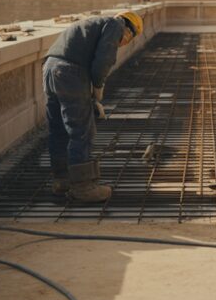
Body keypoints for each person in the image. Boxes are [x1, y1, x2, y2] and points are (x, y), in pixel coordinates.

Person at [43, 10, 144, 202]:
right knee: (82, 131)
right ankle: (83, 188)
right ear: (129, 32)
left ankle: (61, 181)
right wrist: (98, 86)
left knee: (59, 130)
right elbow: (103, 61)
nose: (121, 45)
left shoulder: (94, 23)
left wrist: (89, 95)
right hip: (69, 72)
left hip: (50, 69)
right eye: (125, 42)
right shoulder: (116, 25)